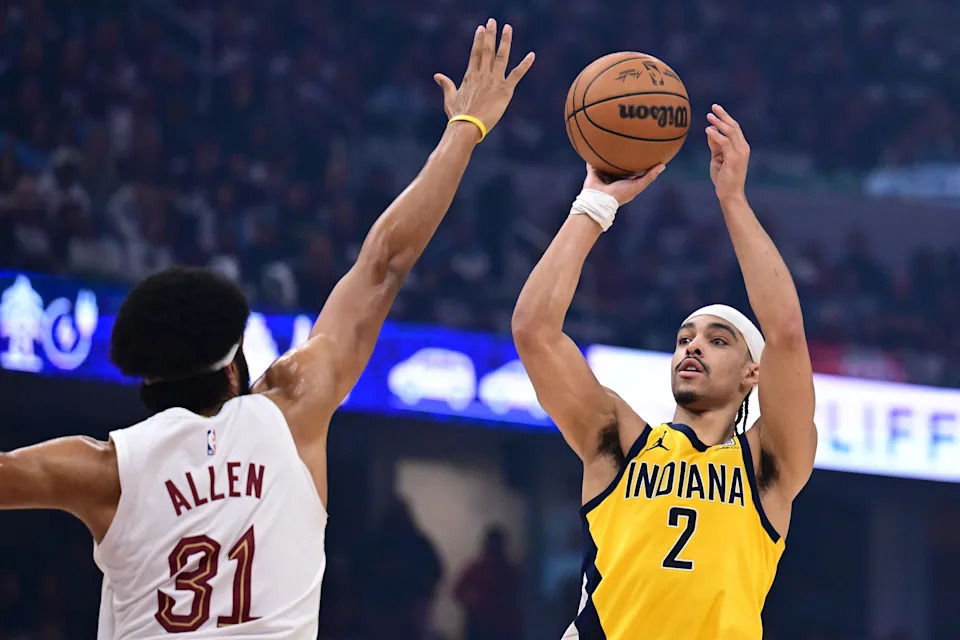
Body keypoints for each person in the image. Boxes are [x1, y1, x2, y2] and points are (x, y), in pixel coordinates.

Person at [0, 20, 534, 639]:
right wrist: (464, 131)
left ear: (147, 378)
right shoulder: (293, 410)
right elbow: (384, 262)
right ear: (234, 365)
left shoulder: (105, 469)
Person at [512, 104, 816, 639]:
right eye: (684, 339)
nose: (693, 347)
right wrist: (596, 202)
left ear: (753, 374)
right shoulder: (621, 442)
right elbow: (534, 332)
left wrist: (733, 200)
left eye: (717, 340)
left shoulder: (768, 465)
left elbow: (787, 333)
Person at [454, 526, 521, 640]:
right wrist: (472, 601)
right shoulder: (478, 568)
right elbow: (458, 591)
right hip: (482, 625)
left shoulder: (509, 571)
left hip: (500, 626)